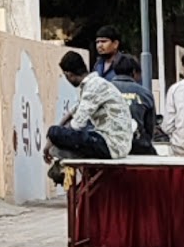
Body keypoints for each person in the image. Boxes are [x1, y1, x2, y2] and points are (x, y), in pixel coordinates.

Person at [46, 51, 135, 182]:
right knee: (57, 133)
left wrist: (52, 137)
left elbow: (77, 125)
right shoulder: (94, 84)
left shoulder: (94, 87)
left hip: (111, 145)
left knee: (54, 131)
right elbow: (72, 112)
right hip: (116, 144)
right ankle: (60, 155)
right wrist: (53, 139)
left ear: (68, 74)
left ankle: (61, 158)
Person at [111, 54, 157, 155]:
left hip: (110, 147)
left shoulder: (103, 90)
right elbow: (150, 128)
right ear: (134, 72)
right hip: (138, 147)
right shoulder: (145, 94)